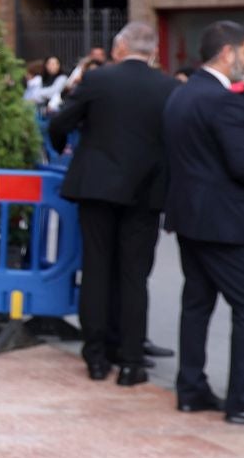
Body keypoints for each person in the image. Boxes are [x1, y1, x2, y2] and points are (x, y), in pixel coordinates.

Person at [162, 20, 244, 427]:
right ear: (227, 53)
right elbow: (242, 164)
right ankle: (243, 400)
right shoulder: (221, 100)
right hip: (224, 221)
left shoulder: (182, 93)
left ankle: (191, 388)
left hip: (190, 216)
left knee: (197, 302)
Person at [48, 21, 177, 385]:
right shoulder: (168, 87)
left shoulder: (98, 80)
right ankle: (131, 359)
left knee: (97, 269)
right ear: (153, 52)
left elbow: (60, 123)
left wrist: (63, 148)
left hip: (98, 186)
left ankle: (96, 356)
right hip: (146, 192)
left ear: (120, 48)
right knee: (134, 276)